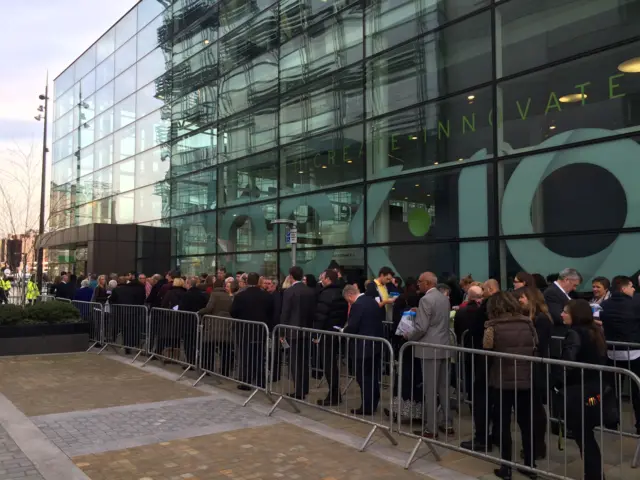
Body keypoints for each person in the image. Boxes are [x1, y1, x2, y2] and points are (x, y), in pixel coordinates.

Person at [483, 291, 538, 480]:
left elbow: (487, 348)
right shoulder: (527, 322)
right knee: (526, 423)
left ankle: (506, 467)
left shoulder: (492, 326)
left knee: (503, 424)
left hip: (502, 379)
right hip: (525, 377)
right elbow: (535, 344)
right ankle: (530, 464)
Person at [559, 299, 609, 480]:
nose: (562, 314)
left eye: (565, 311)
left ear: (576, 314)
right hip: (593, 387)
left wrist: (558, 379)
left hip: (579, 391)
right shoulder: (595, 331)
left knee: (584, 437)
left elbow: (568, 363)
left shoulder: (574, 333)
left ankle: (594, 475)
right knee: (586, 435)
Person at [408, 272, 454, 439]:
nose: (417, 284)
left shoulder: (426, 299)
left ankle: (431, 428)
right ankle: (447, 424)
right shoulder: (443, 298)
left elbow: (421, 327)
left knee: (430, 389)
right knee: (443, 388)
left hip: (429, 348)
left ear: (427, 283)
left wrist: (409, 337)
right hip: (444, 346)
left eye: (419, 282)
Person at [461, 278, 501, 452]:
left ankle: (482, 438)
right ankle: (497, 436)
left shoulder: (488, 306)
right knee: (497, 400)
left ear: (490, 289)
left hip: (485, 358)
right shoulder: (505, 304)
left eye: (484, 289)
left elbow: (476, 329)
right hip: (498, 359)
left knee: (482, 398)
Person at [600, 275, 640, 434]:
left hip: (612, 353)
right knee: (637, 391)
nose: (634, 289)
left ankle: (611, 423)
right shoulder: (636, 303)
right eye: (631, 286)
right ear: (623, 288)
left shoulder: (605, 304)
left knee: (611, 391)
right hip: (634, 353)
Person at [343, 284, 385, 415]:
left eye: (347, 300)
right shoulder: (372, 301)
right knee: (372, 375)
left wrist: (345, 331)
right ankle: (373, 401)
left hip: (363, 346)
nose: (349, 302)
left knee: (363, 377)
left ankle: (367, 406)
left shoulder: (358, 305)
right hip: (375, 344)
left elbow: (353, 325)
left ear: (350, 295)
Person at [387, 277, 422, 421]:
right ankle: (419, 411)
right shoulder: (422, 299)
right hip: (419, 343)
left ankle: (398, 410)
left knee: (403, 377)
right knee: (418, 377)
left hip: (403, 343)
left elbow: (395, 324)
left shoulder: (401, 299)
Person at [230, 272, 274, 389]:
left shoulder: (240, 296)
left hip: (245, 330)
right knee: (260, 356)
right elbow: (271, 312)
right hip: (261, 330)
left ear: (247, 281)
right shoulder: (266, 296)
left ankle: (247, 381)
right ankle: (260, 381)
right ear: (258, 281)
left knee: (246, 357)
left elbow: (233, 312)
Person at [280, 266, 317, 400]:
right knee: (304, 361)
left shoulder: (289, 292)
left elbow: (286, 312)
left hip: (292, 331)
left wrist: (282, 331)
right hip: (306, 330)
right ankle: (304, 387)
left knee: (295, 362)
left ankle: (299, 390)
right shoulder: (310, 291)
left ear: (291, 276)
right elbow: (313, 312)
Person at [314, 269, 348, 406]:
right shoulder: (340, 292)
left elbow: (320, 315)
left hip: (326, 333)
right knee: (332, 364)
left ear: (328, 279)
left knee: (329, 365)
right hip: (335, 331)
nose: (321, 280)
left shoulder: (326, 294)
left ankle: (334, 395)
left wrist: (316, 334)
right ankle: (335, 394)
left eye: (322, 278)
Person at [199, 278, 235, 377]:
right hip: (226, 326)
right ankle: (225, 371)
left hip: (214, 326)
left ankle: (208, 368)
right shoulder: (228, 296)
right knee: (224, 350)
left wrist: (200, 312)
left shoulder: (214, 295)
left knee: (209, 348)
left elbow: (209, 308)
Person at [454, 285, 483, 400]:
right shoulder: (481, 311)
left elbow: (457, 329)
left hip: (465, 347)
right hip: (479, 348)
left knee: (469, 375)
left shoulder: (461, 311)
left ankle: (470, 398)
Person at [544, 268, 582, 340]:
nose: (575, 289)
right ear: (566, 280)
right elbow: (558, 317)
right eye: (574, 285)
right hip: (559, 336)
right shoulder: (552, 292)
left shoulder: (561, 292)